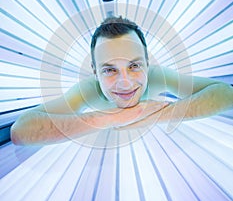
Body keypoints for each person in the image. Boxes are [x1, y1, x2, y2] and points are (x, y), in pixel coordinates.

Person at [11, 16, 233, 145]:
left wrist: (148, 118)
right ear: (95, 73)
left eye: (134, 66)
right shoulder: (87, 91)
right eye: (109, 70)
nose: (125, 83)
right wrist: (115, 117)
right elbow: (21, 130)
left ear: (147, 63)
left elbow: (225, 93)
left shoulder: (158, 76)